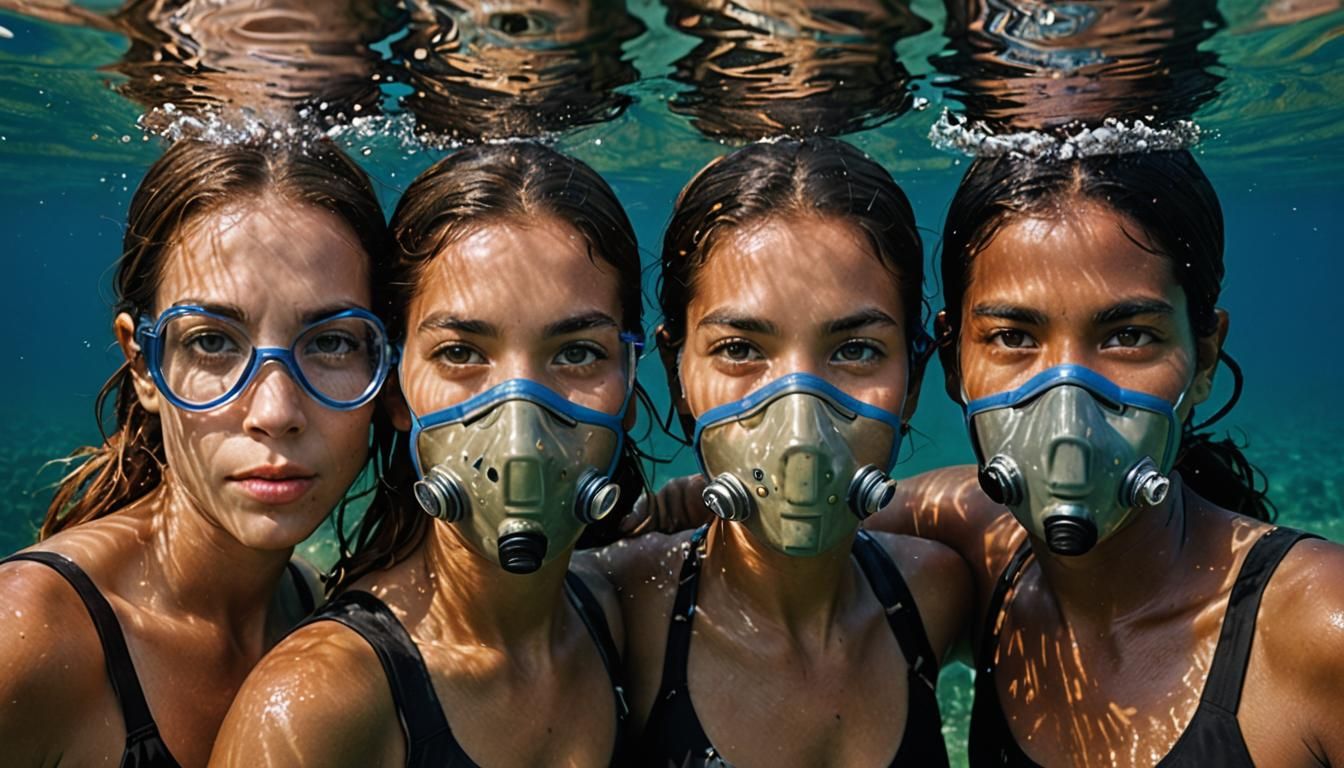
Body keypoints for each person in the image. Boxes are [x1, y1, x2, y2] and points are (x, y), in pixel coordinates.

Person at [867, 150, 1344, 766]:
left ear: (1203, 358)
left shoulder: (1321, 627)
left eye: (1129, 335)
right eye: (1013, 337)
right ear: (955, 361)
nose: (1069, 414)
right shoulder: (976, 542)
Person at [212, 143, 642, 767]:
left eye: (577, 353)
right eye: (461, 354)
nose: (518, 430)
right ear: (395, 390)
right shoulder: (316, 705)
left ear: (631, 383)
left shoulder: (622, 608)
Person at [0, 137, 395, 767]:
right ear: (143, 366)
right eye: (213, 341)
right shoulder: (25, 635)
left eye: (332, 343)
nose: (275, 413)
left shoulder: (309, 602)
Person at [592, 137, 971, 767]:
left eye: (855, 350)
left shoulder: (936, 590)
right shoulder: (622, 607)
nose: (800, 421)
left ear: (915, 383)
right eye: (740, 349)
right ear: (675, 371)